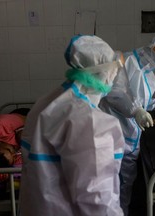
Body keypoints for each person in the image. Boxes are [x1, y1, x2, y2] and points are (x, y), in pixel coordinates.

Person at [19, 35, 126, 216]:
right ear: (104, 71)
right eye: (114, 70)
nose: (114, 76)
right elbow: (97, 200)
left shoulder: (45, 104)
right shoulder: (89, 120)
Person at [99, 34, 155, 215]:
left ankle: (122, 212)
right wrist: (135, 111)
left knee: (127, 180)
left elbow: (142, 98)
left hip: (132, 135)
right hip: (114, 130)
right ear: (153, 50)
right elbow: (115, 94)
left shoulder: (149, 73)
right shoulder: (126, 62)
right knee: (109, 180)